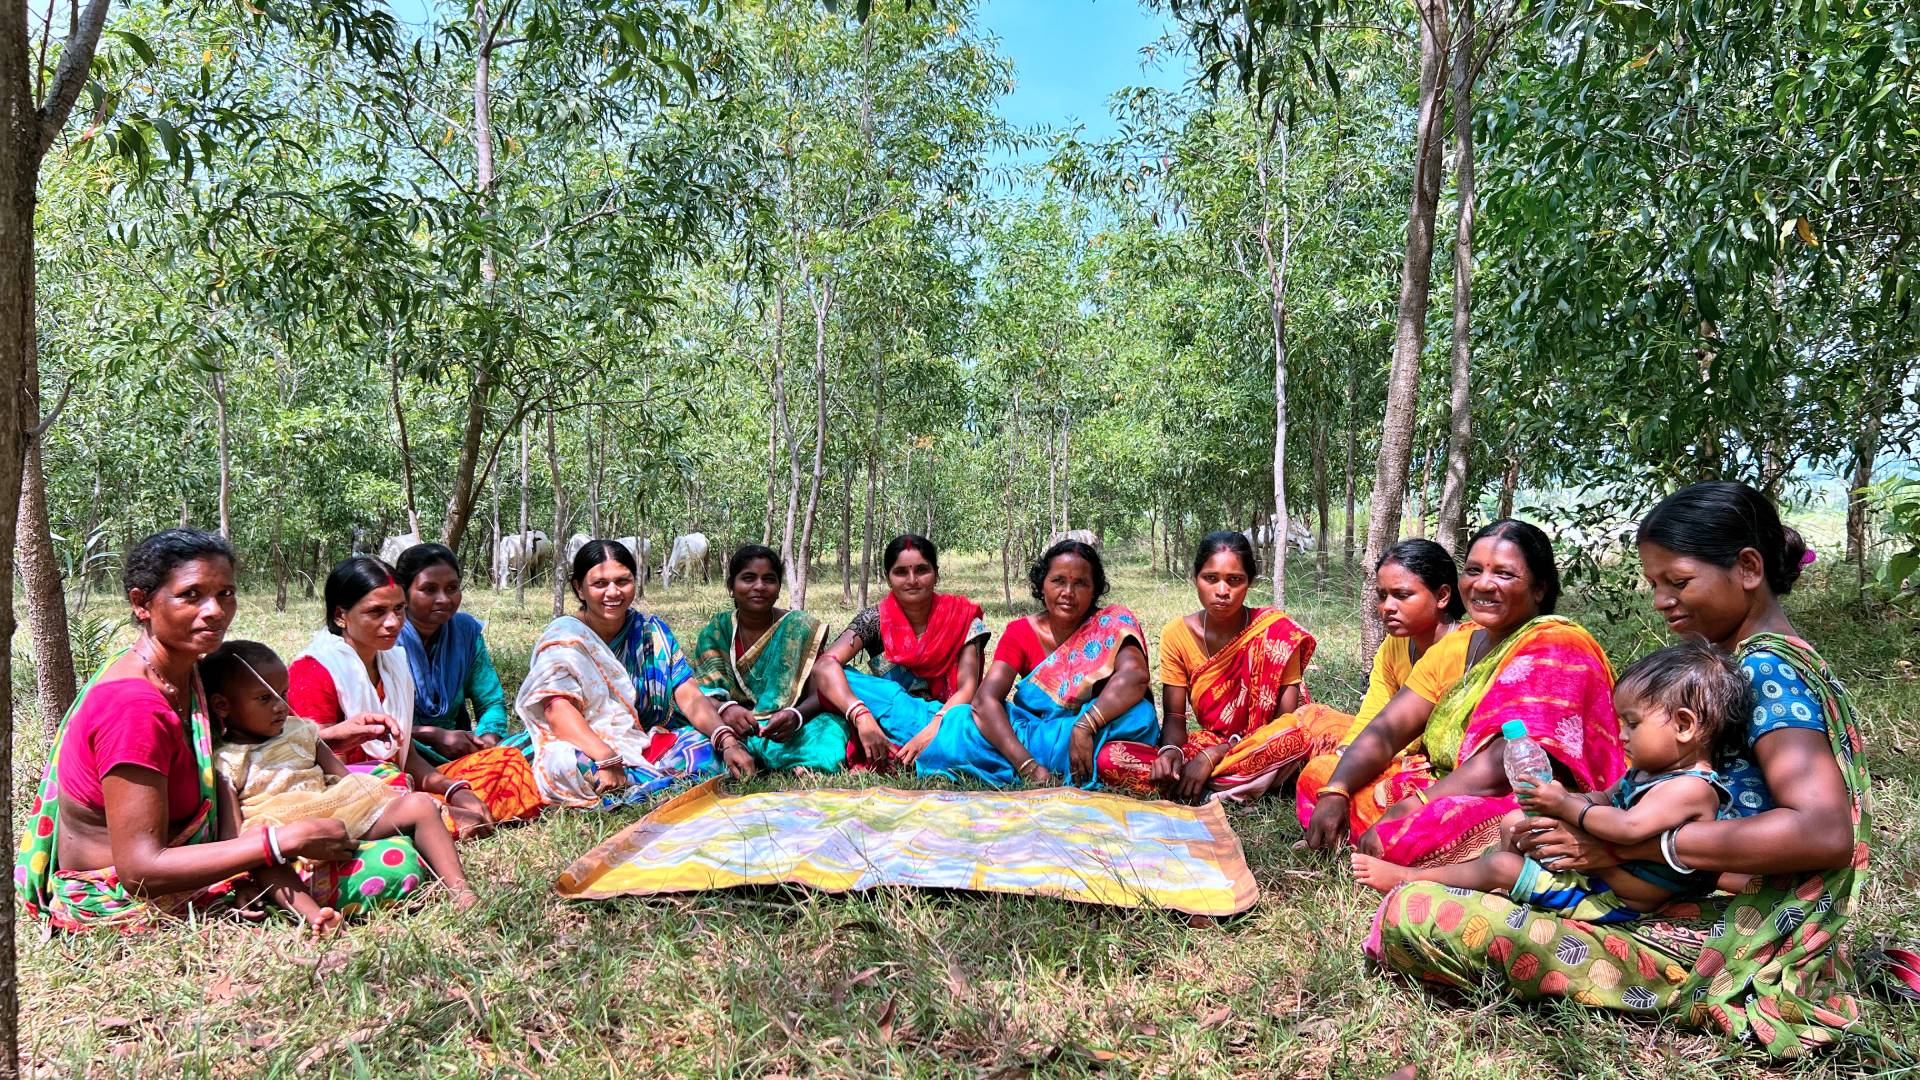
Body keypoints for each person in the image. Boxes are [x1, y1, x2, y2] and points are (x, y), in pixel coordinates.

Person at [1371, 482, 1880, 1058]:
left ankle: (1660, 977)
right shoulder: (1759, 662)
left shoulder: (1766, 671)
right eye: (1655, 584)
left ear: (1747, 567)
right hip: (1687, 896)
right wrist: (1593, 830)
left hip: (1724, 937)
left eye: (1679, 582)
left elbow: (1824, 834)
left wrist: (1637, 848)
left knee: (1418, 915)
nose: (1663, 600)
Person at [16, 529, 423, 932]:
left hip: (205, 846)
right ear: (142, 603)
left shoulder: (184, 670)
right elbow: (140, 869)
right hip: (126, 889)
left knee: (383, 778)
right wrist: (280, 844)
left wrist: (328, 738)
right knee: (397, 864)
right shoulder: (134, 708)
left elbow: (215, 750)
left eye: (225, 593)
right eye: (191, 595)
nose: (214, 610)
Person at [1302, 520, 1623, 866]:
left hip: (1526, 798)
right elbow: (1388, 729)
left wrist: (1417, 803)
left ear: (1539, 588)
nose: (1483, 584)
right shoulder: (1458, 645)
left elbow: (1507, 762)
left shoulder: (1556, 645)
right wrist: (1336, 791)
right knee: (1320, 776)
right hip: (1450, 783)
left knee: (1417, 830)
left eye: (1504, 574)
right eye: (1473, 570)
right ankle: (1372, 834)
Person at [1354, 640, 1743, 923]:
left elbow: (1628, 827)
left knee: (1501, 867)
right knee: (1514, 824)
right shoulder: (1650, 771)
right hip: (1613, 868)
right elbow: (1606, 797)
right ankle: (1515, 886)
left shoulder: (1690, 788)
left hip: (1628, 893)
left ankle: (1413, 878)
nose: (1622, 735)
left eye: (1633, 724)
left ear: (1684, 725)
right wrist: (1558, 801)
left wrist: (1566, 806)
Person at [206, 640, 478, 925]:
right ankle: (317, 918)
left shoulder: (301, 730)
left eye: (284, 694)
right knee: (263, 858)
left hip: (334, 813)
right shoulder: (227, 760)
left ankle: (460, 891)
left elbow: (346, 781)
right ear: (223, 706)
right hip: (282, 833)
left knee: (420, 805)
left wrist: (374, 806)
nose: (281, 706)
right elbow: (231, 837)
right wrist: (240, 877)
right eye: (265, 698)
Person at [514, 539, 755, 809]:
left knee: (705, 747)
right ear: (579, 588)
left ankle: (635, 779)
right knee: (569, 764)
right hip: (583, 743)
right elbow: (557, 712)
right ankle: (635, 778)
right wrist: (606, 757)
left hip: (641, 740)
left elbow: (687, 693)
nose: (613, 592)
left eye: (622, 581)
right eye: (600, 584)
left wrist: (725, 739)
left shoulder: (651, 634)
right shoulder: (565, 639)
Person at [1098, 531, 1320, 801]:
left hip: (1265, 745)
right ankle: (1227, 787)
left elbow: (1285, 723)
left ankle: (1209, 786)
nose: (1222, 591)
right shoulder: (1176, 634)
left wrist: (1215, 755)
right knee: (1112, 758)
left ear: (1248, 583)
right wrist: (1171, 753)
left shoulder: (1276, 631)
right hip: (1212, 742)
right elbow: (1175, 718)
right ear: (1196, 579)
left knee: (1295, 741)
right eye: (1211, 578)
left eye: (1234, 580)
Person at [286, 557, 499, 838]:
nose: (393, 622)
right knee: (411, 791)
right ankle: (421, 817)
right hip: (340, 794)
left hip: (398, 784)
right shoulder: (313, 670)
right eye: (377, 612)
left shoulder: (394, 662)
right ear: (341, 615)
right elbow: (310, 764)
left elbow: (405, 754)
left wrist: (452, 789)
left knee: (503, 768)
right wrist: (420, 797)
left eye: (399, 609)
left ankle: (423, 813)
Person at [931, 539, 1159, 787]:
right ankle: (1065, 760)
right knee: (962, 720)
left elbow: (1135, 676)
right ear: (1042, 585)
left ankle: (1065, 754)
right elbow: (984, 700)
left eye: (1080, 583)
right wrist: (1029, 766)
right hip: (1035, 735)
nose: (1068, 593)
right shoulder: (1020, 632)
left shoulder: (1112, 622)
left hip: (1095, 727)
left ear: (1094, 590)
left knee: (1139, 716)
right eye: (1058, 581)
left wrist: (1084, 727)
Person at [1294, 539, 1463, 828]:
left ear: (1443, 595)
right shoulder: (1393, 647)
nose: (1387, 607)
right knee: (1316, 751)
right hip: (1388, 750)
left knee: (1377, 799)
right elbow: (1374, 713)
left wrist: (1357, 770)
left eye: (1402, 595)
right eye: (1382, 595)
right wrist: (1347, 754)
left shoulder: (1465, 648)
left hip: (1440, 772)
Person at [810, 534, 991, 770]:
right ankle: (899, 748)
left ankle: (910, 752)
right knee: (836, 675)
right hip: (888, 721)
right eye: (901, 572)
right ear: (888, 579)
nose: (912, 580)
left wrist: (929, 732)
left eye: (921, 570)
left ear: (936, 574)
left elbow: (968, 689)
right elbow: (824, 665)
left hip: (947, 721)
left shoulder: (962, 617)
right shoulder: (873, 620)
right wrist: (861, 715)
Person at [393, 542, 543, 822]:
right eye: (429, 590)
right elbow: (374, 725)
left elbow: (491, 701)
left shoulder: (465, 632)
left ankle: (457, 795)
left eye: (452, 588)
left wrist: (486, 736)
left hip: (463, 754)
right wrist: (432, 735)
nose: (444, 599)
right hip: (408, 754)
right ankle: (447, 801)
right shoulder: (386, 637)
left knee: (544, 742)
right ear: (403, 592)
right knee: (387, 773)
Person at [691, 545, 847, 772]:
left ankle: (786, 758)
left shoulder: (800, 627)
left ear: (778, 588)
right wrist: (726, 708)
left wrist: (797, 715)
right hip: (735, 724)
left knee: (830, 732)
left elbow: (821, 691)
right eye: (748, 578)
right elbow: (702, 693)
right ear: (731, 587)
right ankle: (756, 754)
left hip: (792, 723)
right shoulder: (717, 631)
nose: (759, 587)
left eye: (769, 579)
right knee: (695, 735)